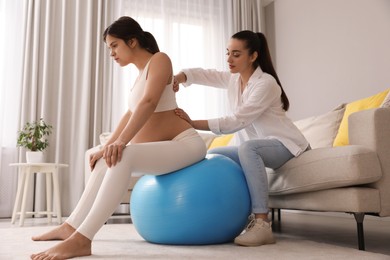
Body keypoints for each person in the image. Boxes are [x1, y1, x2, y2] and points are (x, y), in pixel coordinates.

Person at [30, 16, 207, 260]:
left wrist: (121, 143)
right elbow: (130, 113)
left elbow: (149, 103)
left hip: (185, 144)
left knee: (122, 155)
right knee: (103, 157)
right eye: (109, 48)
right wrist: (107, 146)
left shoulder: (160, 59)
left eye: (114, 45)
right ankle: (71, 226)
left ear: (132, 41)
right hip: (166, 147)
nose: (111, 53)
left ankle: (82, 240)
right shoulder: (139, 76)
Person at [174, 30, 310, 247]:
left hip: (286, 145)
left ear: (253, 56)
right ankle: (234, 215)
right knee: (213, 154)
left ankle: (262, 223)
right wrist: (180, 77)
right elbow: (204, 74)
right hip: (258, 146)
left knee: (247, 148)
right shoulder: (233, 79)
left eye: (236, 54)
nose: (229, 59)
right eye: (227, 53)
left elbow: (237, 120)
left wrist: (193, 123)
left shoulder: (266, 83)